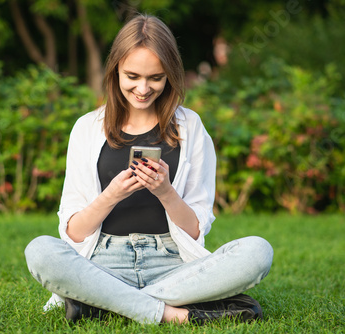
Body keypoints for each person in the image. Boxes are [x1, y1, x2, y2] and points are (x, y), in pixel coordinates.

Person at [25, 13, 273, 325]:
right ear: (115, 70)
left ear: (170, 75)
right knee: (40, 251)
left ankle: (105, 302)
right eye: (132, 76)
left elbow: (196, 230)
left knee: (258, 252)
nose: (143, 89)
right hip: (103, 261)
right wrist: (111, 195)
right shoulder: (86, 128)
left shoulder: (191, 127)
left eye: (155, 78)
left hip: (171, 263)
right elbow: (72, 232)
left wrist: (166, 192)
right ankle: (171, 314)